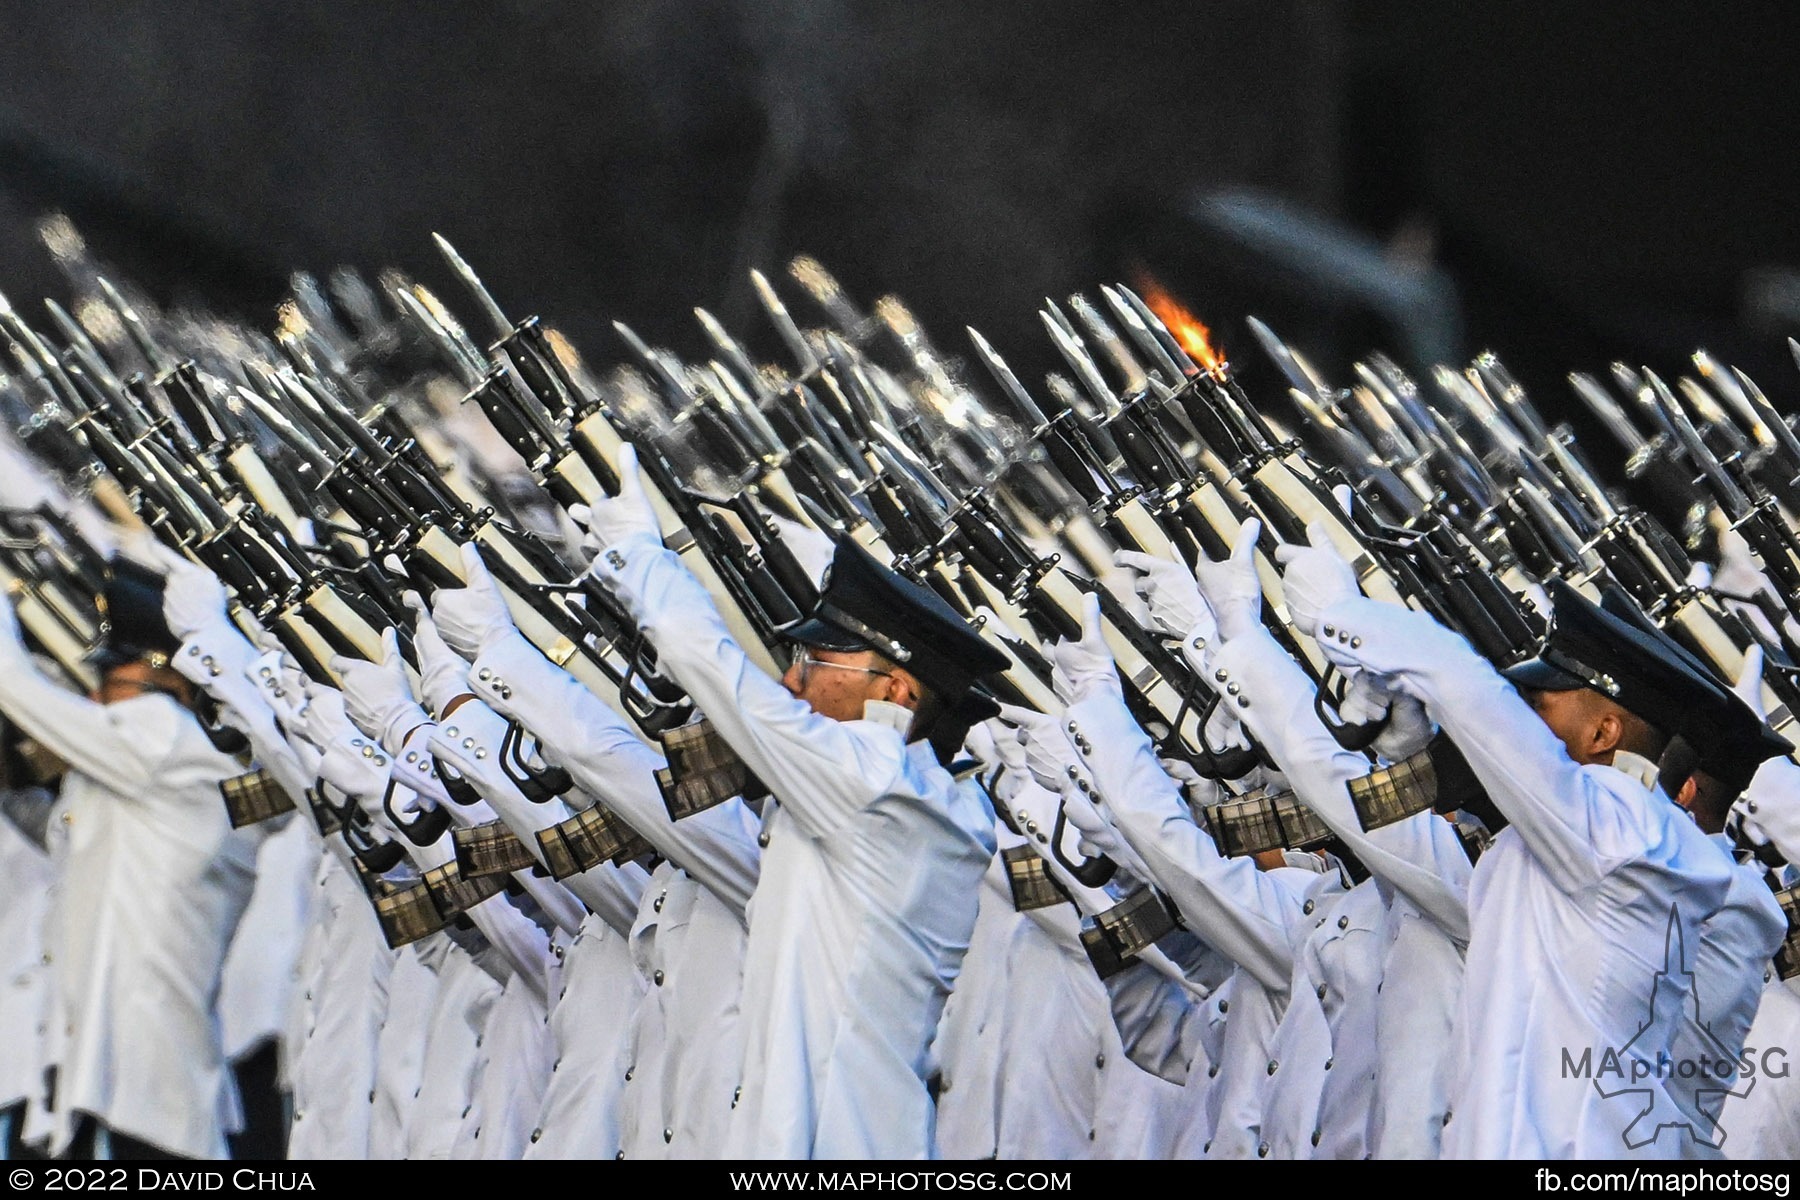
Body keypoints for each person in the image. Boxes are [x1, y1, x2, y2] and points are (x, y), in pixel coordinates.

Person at [577, 446, 1007, 1159]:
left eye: (816, 664)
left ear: (896, 691)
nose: (793, 681)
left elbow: (724, 681)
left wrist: (639, 556)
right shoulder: (890, 786)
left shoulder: (881, 783)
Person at [1280, 538, 1738, 1159]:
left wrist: (1345, 611)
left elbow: (1473, 696)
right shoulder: (1573, 833)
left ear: (1604, 730)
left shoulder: (1623, 824)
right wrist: (1411, 746)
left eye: (1542, 704)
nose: (1526, 718)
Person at [0, 559, 259, 1160]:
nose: (95, 694)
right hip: (99, 1072)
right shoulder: (143, 762)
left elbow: (12, 683)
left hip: (147, 1082)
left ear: (163, 674)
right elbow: (65, 836)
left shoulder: (161, 736)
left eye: (112, 673)